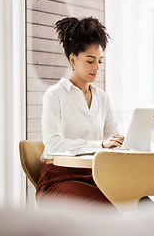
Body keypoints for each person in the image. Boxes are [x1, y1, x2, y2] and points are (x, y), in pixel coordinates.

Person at [36, 17, 124, 208]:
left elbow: (113, 141)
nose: (97, 67)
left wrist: (122, 143)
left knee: (142, 202)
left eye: (100, 61)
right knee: (109, 207)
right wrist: (100, 144)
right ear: (73, 59)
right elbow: (53, 144)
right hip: (59, 180)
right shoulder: (55, 95)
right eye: (90, 61)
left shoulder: (102, 98)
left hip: (97, 176)